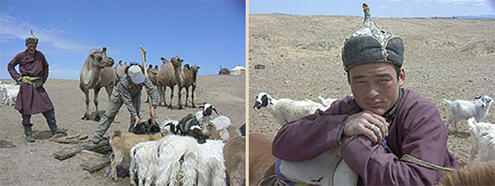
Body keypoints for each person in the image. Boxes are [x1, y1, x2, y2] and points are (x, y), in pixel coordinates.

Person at [272, 3, 459, 185]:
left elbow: (415, 180)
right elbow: (282, 141)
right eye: (360, 81)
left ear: (400, 77)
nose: (371, 93)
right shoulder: (347, 108)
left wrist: (351, 143)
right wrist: (342, 126)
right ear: (349, 81)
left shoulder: (421, 114)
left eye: (382, 80)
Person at [7, 31, 66, 143]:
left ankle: (54, 130)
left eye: (34, 46)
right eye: (30, 46)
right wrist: (18, 78)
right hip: (27, 86)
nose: (32, 48)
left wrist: (43, 80)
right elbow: (10, 66)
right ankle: (28, 133)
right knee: (26, 110)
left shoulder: (40, 55)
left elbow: (46, 67)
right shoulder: (20, 56)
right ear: (26, 45)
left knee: (48, 107)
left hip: (38, 85)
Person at [92, 63, 159, 144]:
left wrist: (153, 107)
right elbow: (128, 101)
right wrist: (135, 115)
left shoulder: (143, 77)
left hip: (136, 94)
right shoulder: (124, 82)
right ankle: (98, 134)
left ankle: (131, 136)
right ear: (129, 77)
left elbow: (153, 90)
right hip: (119, 95)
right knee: (109, 114)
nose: (138, 83)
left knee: (135, 120)